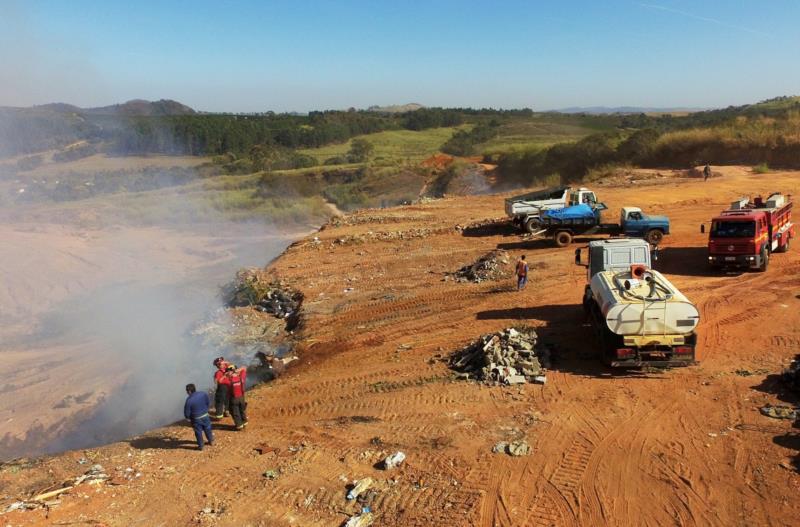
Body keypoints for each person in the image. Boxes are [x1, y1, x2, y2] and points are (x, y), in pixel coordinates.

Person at [184, 384, 213, 450]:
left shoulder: (189, 400)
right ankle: (211, 441)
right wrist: (206, 410)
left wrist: (188, 418)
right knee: (208, 428)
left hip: (196, 419)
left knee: (198, 432)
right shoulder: (203, 394)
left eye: (186, 391)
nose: (186, 392)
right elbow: (208, 402)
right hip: (205, 415)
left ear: (189, 391)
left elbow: (187, 412)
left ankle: (201, 446)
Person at [226, 364, 248, 430]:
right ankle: (244, 422)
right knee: (242, 410)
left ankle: (239, 426)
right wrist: (235, 371)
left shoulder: (229, 380)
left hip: (233, 399)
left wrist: (226, 375)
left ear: (231, 371)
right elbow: (244, 368)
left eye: (228, 371)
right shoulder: (241, 377)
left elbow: (219, 381)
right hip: (241, 398)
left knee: (235, 412)